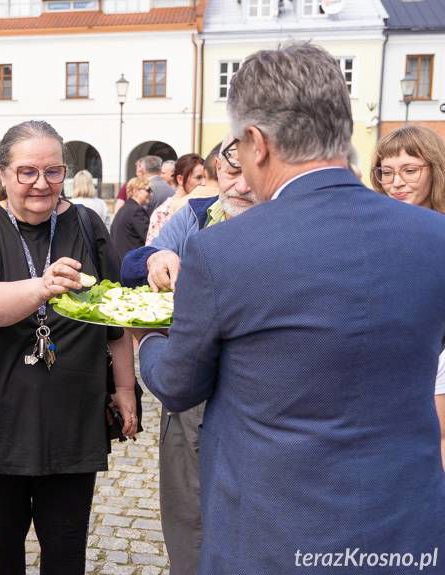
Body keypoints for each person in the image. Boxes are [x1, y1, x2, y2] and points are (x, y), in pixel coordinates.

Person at [139, 44, 445, 573]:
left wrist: (150, 345)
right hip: (404, 526)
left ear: (256, 143)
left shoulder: (222, 250)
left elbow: (179, 382)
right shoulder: (434, 236)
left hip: (272, 532)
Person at [0, 120, 138, 574]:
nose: (41, 183)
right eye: (27, 171)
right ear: (2, 173)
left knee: (67, 550)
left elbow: (116, 315)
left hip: (71, 417)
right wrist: (43, 286)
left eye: (53, 172)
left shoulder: (87, 223)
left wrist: (126, 390)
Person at [120, 135, 253, 575]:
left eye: (252, 171)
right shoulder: (197, 215)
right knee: (188, 512)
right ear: (217, 171)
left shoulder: (285, 224)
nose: (241, 185)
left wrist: (152, 345)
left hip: (258, 394)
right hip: (193, 388)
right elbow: (133, 262)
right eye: (231, 172)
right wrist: (155, 260)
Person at [370, 124, 445, 470]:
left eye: (409, 171)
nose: (397, 183)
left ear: (435, 169)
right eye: (387, 173)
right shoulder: (376, 228)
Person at [144, 154, 205, 245]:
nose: (204, 183)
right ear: (180, 179)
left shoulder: (205, 205)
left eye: (206, 177)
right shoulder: (163, 212)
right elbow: (152, 250)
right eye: (198, 177)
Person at [110, 176, 151, 261]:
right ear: (135, 191)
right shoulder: (136, 211)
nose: (150, 194)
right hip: (132, 262)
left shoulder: (125, 209)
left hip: (122, 261)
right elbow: (149, 237)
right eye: (148, 190)